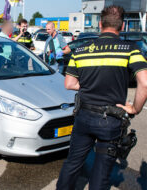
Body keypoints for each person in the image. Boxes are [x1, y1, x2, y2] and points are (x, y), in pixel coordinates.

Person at [56, 5, 147, 190]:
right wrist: (135, 108)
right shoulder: (129, 49)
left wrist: (90, 84)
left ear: (100, 24)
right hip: (111, 120)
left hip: (83, 116)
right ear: (122, 27)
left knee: (72, 164)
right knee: (101, 173)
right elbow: (144, 83)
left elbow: (69, 84)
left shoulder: (81, 50)